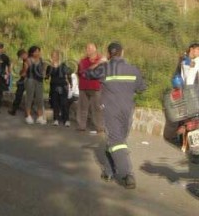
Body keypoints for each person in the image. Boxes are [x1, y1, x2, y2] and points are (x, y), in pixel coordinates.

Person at [85, 42, 146, 189]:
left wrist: (100, 62)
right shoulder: (133, 69)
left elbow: (87, 74)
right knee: (117, 140)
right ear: (122, 53)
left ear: (108, 54)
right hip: (127, 110)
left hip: (111, 110)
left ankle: (127, 174)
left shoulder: (105, 68)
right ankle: (108, 171)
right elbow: (142, 88)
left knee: (116, 141)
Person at [77, 43, 105, 133]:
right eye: (88, 48)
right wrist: (97, 64)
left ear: (96, 49)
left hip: (96, 87)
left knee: (97, 108)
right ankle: (81, 126)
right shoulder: (83, 61)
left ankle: (99, 126)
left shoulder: (102, 60)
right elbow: (83, 72)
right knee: (82, 107)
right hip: (84, 86)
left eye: (91, 48)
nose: (89, 50)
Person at [45, 50, 72, 126]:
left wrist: (70, 84)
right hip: (53, 86)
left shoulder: (63, 65)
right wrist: (47, 74)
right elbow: (47, 77)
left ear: (58, 57)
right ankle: (56, 119)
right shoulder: (49, 67)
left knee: (64, 103)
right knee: (55, 103)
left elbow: (68, 74)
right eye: (52, 56)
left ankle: (66, 120)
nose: (54, 57)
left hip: (63, 86)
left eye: (55, 56)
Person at [24, 46, 46, 125]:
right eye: (36, 51)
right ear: (32, 52)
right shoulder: (28, 60)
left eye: (38, 51)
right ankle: (28, 116)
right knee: (29, 97)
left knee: (39, 98)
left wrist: (44, 73)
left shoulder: (41, 60)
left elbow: (43, 70)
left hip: (39, 81)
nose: (37, 53)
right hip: (30, 80)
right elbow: (26, 71)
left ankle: (40, 117)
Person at [9, 49, 28, 116]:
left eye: (21, 57)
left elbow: (25, 70)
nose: (21, 58)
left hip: (26, 79)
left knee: (19, 95)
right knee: (19, 94)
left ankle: (15, 110)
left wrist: (21, 72)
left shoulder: (27, 60)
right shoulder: (26, 60)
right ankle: (14, 110)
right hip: (26, 79)